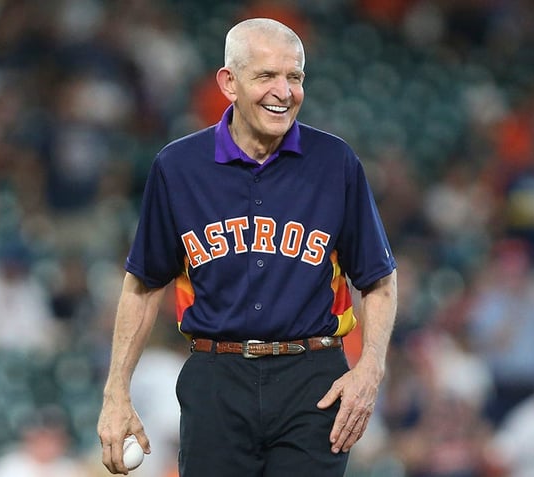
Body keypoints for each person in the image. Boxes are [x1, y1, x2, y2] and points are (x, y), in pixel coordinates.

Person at [96, 17, 398, 477]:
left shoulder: (334, 162)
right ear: (229, 83)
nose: (284, 91)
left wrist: (370, 370)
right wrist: (116, 393)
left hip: (313, 379)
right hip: (217, 378)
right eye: (266, 76)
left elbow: (378, 279)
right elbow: (143, 285)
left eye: (294, 76)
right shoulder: (178, 167)